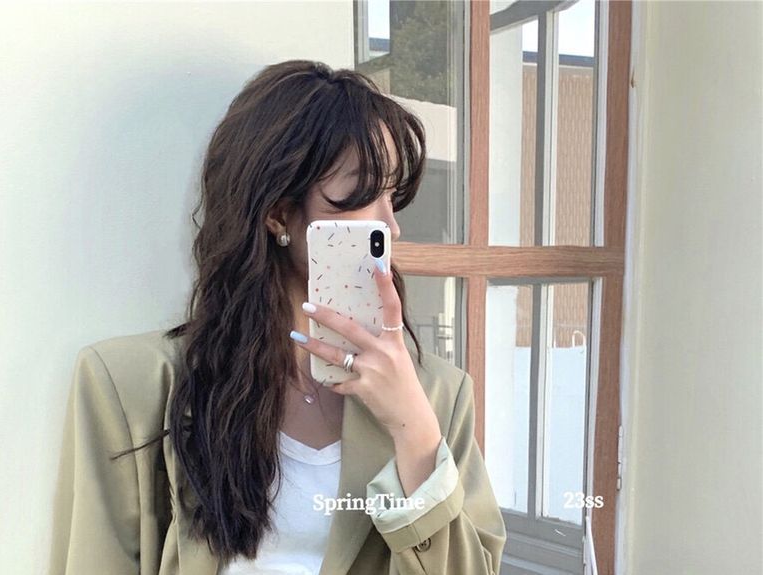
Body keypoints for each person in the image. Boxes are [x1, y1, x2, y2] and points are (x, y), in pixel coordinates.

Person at [48, 59, 506, 575]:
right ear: (278, 213)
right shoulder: (130, 386)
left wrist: (413, 430)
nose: (391, 225)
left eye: (391, 195)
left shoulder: (439, 396)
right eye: (362, 194)